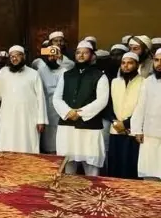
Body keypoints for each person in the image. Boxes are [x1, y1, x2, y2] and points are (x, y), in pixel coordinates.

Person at [53, 41, 109, 176]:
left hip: (89, 126)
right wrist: (68, 112)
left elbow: (102, 100)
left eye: (85, 52)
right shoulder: (66, 75)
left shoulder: (100, 76)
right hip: (68, 125)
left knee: (91, 165)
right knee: (68, 163)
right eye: (78, 53)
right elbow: (56, 98)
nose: (81, 55)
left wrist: (80, 113)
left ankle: (92, 195)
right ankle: (68, 196)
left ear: (92, 56)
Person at [0, 45, 47, 154]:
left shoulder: (33, 74)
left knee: (27, 144)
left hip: (28, 118)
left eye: (18, 56)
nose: (14, 58)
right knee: (8, 143)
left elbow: (40, 98)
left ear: (23, 57)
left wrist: (41, 120)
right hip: (8, 117)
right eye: (12, 56)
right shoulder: (3, 73)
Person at [105, 52, 143, 179]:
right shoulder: (114, 82)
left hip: (133, 131)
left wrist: (125, 124)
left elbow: (143, 108)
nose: (126, 66)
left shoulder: (144, 82)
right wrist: (115, 122)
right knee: (115, 166)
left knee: (130, 167)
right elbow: (108, 104)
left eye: (130, 63)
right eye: (123, 63)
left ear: (137, 65)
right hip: (115, 129)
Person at [132, 48, 161, 180]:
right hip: (149, 134)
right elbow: (140, 106)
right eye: (156, 60)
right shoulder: (148, 81)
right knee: (149, 174)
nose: (159, 64)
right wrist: (137, 129)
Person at [36, 46, 67, 153]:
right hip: (46, 108)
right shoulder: (40, 71)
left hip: (60, 110)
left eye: (55, 55)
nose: (52, 58)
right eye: (49, 55)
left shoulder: (65, 70)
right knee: (47, 142)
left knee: (60, 142)